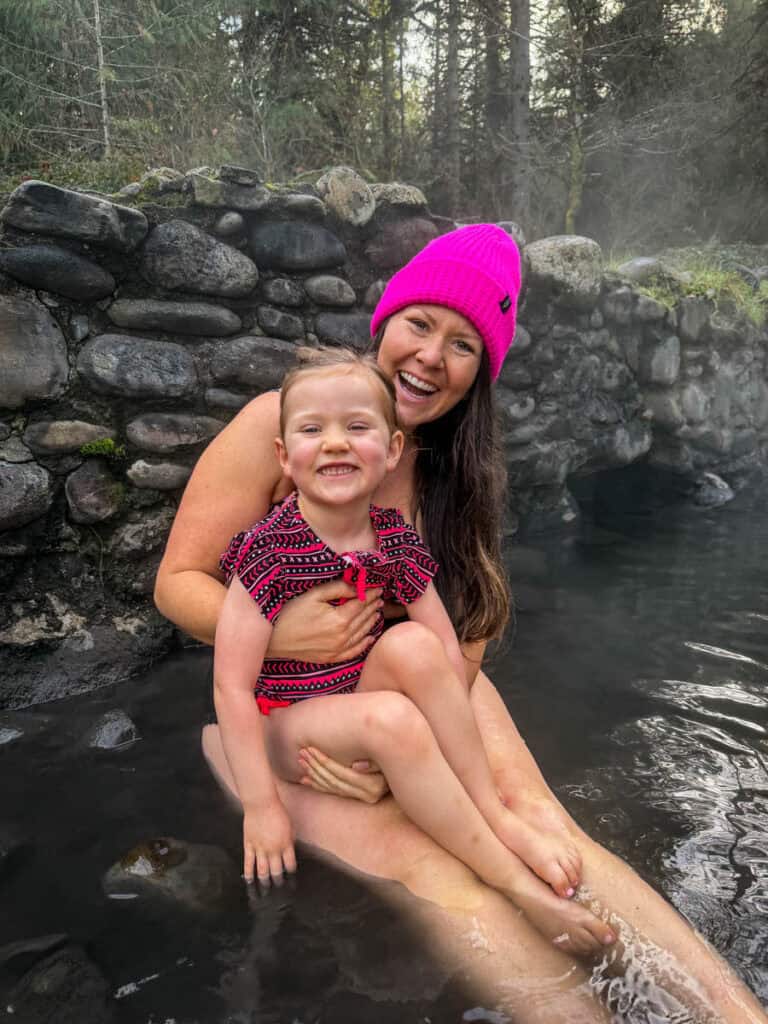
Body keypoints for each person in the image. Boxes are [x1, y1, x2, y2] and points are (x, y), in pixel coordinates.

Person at [155, 225, 768, 1022]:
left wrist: (413, 747)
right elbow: (177, 582)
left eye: (463, 344)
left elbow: (466, 629)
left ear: (480, 372)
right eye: (421, 324)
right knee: (440, 871)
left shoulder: (456, 467)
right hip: (292, 698)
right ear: (384, 321)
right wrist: (286, 636)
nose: (431, 357)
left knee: (543, 824)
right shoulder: (286, 425)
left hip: (416, 676)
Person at [214, 346, 607, 957]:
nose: (337, 443)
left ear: (393, 450)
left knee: (418, 644)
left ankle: (494, 813)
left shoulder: (394, 537)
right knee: (393, 719)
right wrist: (262, 806)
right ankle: (510, 883)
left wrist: (427, 759)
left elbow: (446, 654)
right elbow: (231, 686)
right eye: (313, 430)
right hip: (285, 721)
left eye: (358, 427)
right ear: (284, 456)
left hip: (351, 694)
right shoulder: (269, 553)